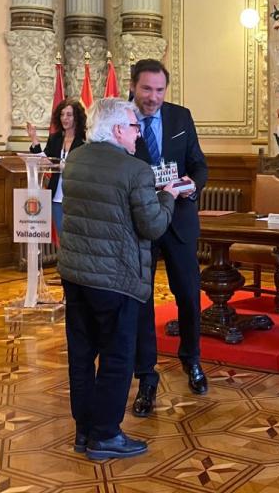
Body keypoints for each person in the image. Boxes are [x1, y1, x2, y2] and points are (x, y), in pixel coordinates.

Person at [58, 98, 180, 460]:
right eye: (133, 127)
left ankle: (84, 431)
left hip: (76, 275)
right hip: (116, 278)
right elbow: (153, 225)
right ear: (116, 130)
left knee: (81, 355)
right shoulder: (136, 170)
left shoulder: (76, 159)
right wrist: (169, 197)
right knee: (116, 357)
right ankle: (106, 435)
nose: (138, 134)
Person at [128, 59, 210, 417]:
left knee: (189, 296)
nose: (153, 97)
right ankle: (146, 376)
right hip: (140, 223)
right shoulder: (121, 119)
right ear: (133, 86)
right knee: (141, 303)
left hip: (179, 220)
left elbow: (199, 165)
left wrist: (193, 185)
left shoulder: (180, 117)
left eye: (160, 90)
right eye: (147, 89)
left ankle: (192, 360)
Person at [27, 97, 87, 235]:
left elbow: (86, 168)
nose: (64, 118)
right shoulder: (55, 138)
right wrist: (34, 139)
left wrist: (67, 167)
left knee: (75, 237)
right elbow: (45, 160)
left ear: (77, 117)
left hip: (75, 197)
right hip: (56, 197)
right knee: (62, 236)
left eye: (69, 115)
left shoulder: (85, 140)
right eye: (62, 114)